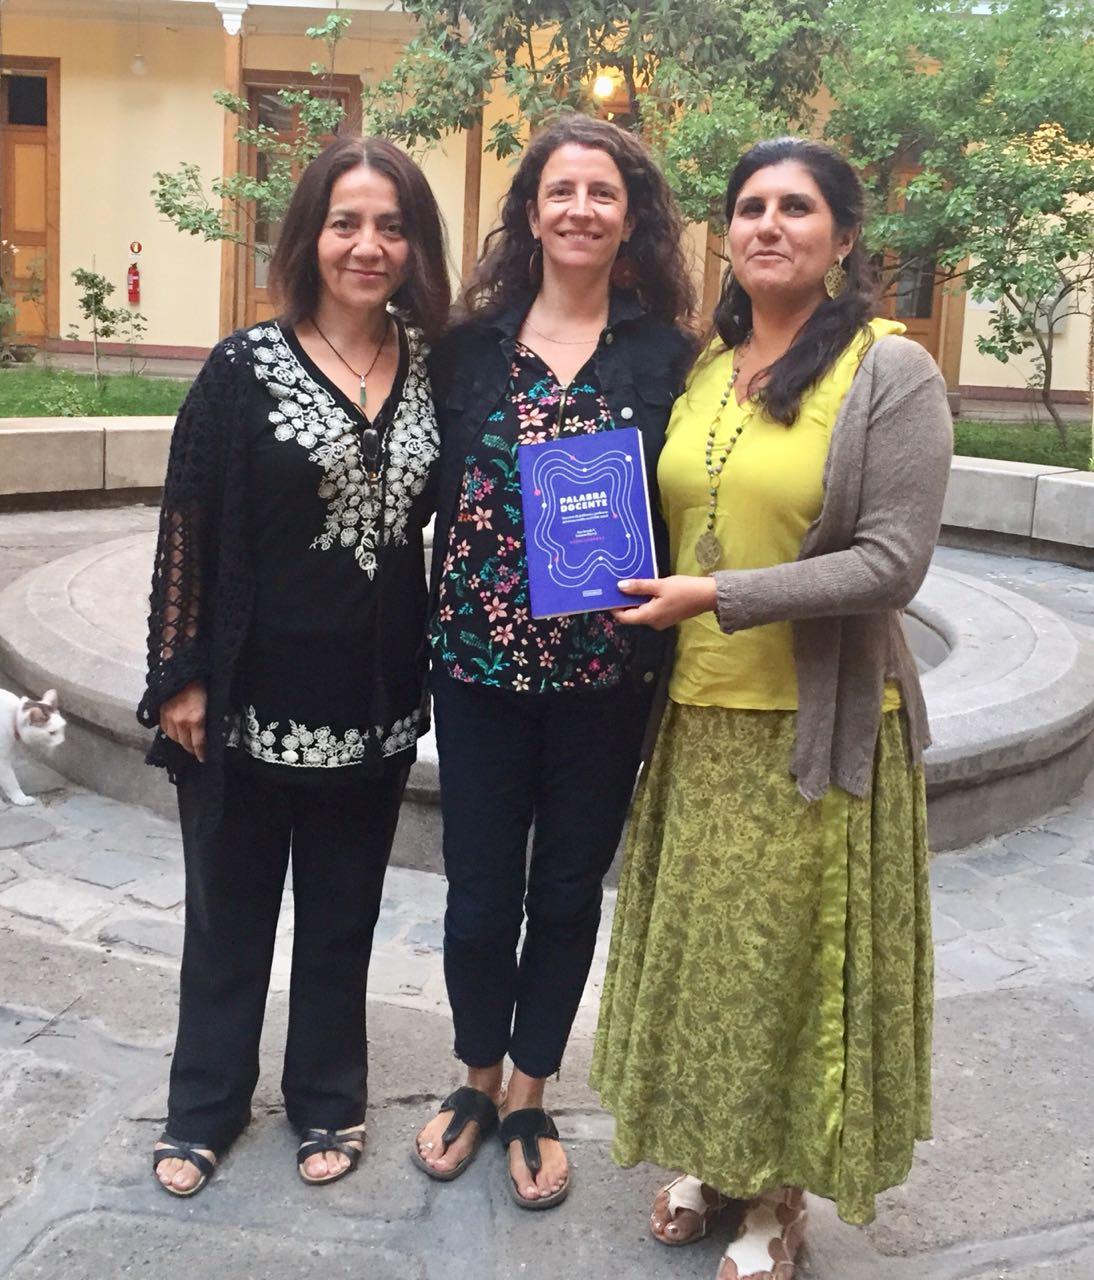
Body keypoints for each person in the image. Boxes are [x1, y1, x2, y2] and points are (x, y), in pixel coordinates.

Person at [589, 137, 953, 1277]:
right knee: (702, 965)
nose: (766, 224)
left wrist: (719, 594)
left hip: (815, 733)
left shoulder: (890, 374)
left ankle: (774, 1197)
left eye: (796, 207)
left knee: (786, 975)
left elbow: (890, 563)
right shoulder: (711, 363)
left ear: (841, 238)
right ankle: (705, 1152)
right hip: (697, 720)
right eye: (748, 206)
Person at [137, 135, 449, 1196]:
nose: (368, 245)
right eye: (346, 222)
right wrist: (180, 669)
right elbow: (188, 518)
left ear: (416, 245)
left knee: (342, 915)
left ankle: (327, 1096)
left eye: (392, 226)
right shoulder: (243, 369)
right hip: (245, 697)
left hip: (371, 702)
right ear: (310, 236)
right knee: (228, 913)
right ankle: (205, 1106)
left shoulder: (431, 370)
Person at [411, 114, 696, 1208]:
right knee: (479, 892)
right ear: (529, 211)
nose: (579, 209)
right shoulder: (468, 347)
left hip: (603, 678)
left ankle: (530, 1091)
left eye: (602, 193)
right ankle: (473, 1076)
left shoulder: (667, 355)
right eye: (559, 190)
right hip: (476, 670)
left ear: (630, 219)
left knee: (568, 887)